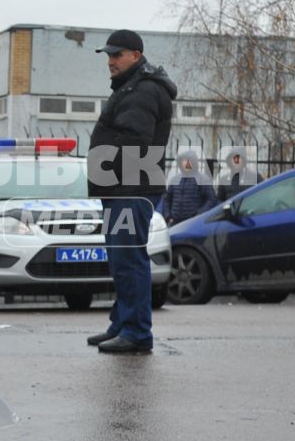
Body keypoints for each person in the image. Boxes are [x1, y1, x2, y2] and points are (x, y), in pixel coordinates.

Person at [85, 29, 175, 355]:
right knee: (119, 257)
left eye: (116, 54)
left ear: (135, 56)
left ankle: (136, 332)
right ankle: (122, 324)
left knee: (128, 258)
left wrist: (106, 168)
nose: (110, 61)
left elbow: (134, 140)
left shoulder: (143, 90)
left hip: (131, 186)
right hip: (122, 186)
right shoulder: (131, 86)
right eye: (108, 55)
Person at [158, 147, 216, 226]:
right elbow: (167, 199)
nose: (186, 163)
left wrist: (199, 214)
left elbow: (211, 199)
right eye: (184, 161)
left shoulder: (203, 179)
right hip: (174, 222)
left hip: (193, 223)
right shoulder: (175, 179)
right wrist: (168, 217)